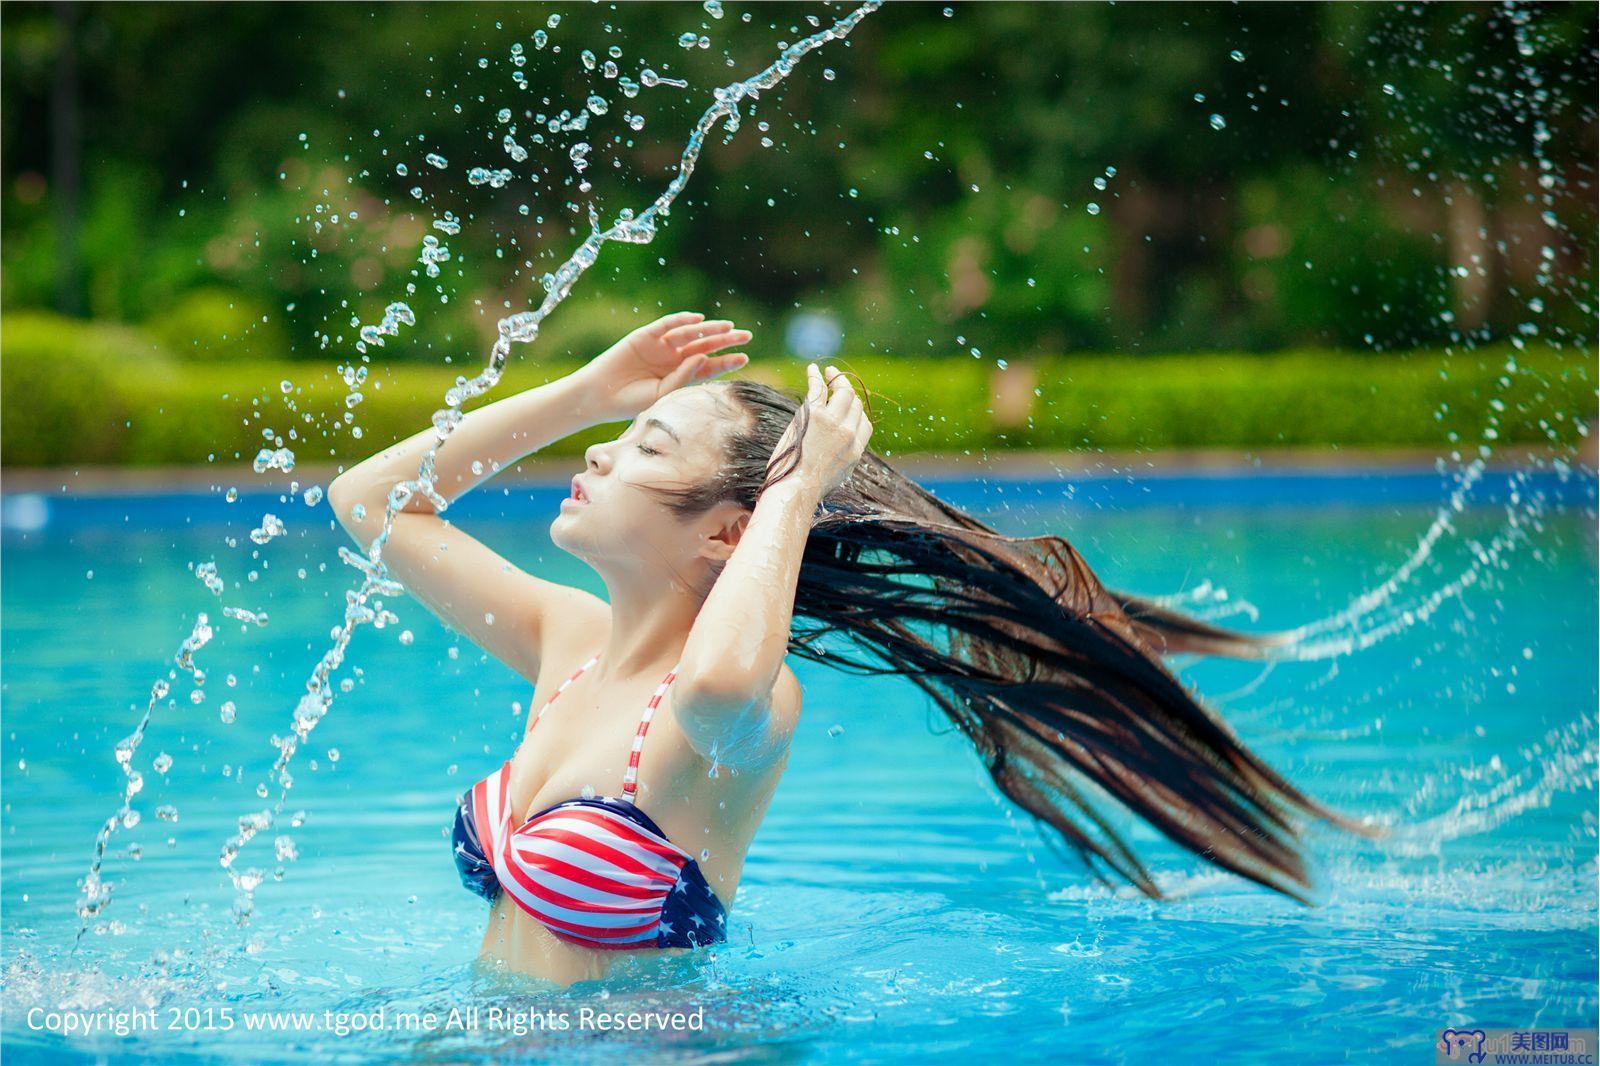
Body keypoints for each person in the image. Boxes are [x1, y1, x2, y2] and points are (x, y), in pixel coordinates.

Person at [327, 311, 1380, 985]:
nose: (597, 455)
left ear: (726, 533)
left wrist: (795, 490)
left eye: (643, 445)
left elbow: (724, 676)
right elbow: (371, 503)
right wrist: (587, 393)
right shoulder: (570, 641)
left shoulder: (746, 708)